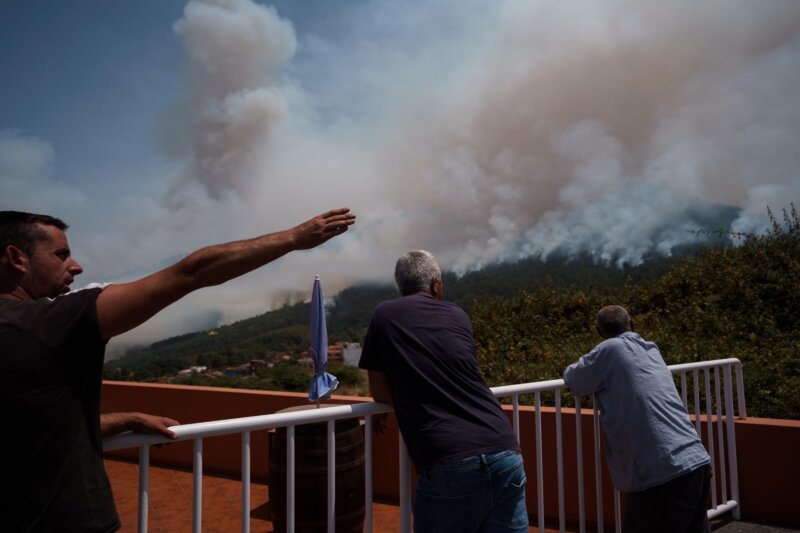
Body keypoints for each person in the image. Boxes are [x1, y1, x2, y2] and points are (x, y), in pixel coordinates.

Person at [0, 208, 355, 533]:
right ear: (17, 258)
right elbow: (192, 273)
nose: (76, 267)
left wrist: (126, 418)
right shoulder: (50, 322)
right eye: (61, 255)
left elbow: (34, 426)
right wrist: (294, 238)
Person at [358, 250, 528, 533]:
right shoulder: (458, 314)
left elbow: (379, 390)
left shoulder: (384, 314)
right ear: (436, 284)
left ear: (401, 286)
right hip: (503, 449)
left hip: (448, 460)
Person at [563, 305, 712, 533]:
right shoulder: (651, 348)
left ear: (599, 332)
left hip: (661, 471)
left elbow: (574, 380)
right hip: (695, 460)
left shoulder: (609, 349)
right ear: (632, 325)